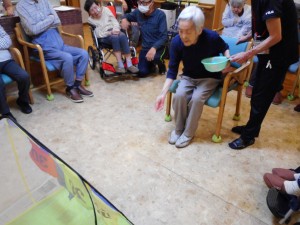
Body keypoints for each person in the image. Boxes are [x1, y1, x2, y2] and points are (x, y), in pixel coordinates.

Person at [154, 6, 230, 148]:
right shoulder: (177, 42)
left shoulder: (212, 38)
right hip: (188, 77)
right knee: (179, 95)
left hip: (210, 78)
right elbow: (172, 71)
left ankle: (188, 133)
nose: (183, 36)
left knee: (196, 98)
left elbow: (224, 47)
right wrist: (162, 93)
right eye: (180, 31)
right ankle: (178, 130)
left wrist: (227, 60)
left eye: (188, 32)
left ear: (199, 29)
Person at [228, 0, 299, 149]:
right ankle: (251, 128)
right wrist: (249, 36)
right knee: (257, 93)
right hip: (268, 53)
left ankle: (248, 137)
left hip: (278, 54)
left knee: (262, 95)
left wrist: (248, 53)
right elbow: (261, 23)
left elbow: (276, 36)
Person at [16, 0, 93, 103]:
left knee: (83, 53)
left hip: (57, 41)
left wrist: (42, 23)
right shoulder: (21, 6)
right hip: (42, 45)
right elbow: (33, 30)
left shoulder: (44, 1)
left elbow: (57, 21)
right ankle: (70, 88)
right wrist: (50, 18)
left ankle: (77, 85)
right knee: (67, 57)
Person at [84, 0, 139, 74]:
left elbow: (114, 21)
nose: (95, 11)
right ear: (89, 12)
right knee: (115, 37)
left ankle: (129, 64)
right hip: (104, 37)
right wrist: (109, 33)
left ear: (99, 5)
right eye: (91, 10)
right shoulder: (90, 20)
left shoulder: (106, 10)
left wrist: (116, 29)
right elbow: (99, 34)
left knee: (123, 36)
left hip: (114, 31)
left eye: (95, 7)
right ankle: (120, 65)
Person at [121, 0, 168, 77]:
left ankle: (161, 64)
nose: (141, 5)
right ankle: (151, 65)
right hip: (145, 47)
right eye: (140, 2)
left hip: (159, 47)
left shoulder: (161, 15)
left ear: (152, 3)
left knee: (156, 58)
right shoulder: (138, 13)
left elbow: (164, 37)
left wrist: (154, 48)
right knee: (142, 72)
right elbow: (126, 15)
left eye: (144, 3)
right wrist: (124, 19)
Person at [0, 25, 32, 120]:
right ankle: (5, 112)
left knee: (24, 76)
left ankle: (22, 101)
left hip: (6, 60)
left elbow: (8, 41)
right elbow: (3, 42)